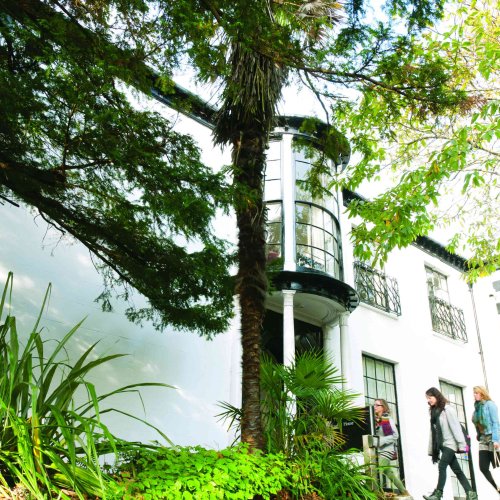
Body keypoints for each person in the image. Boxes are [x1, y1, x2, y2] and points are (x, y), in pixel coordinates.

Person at [424, 387, 477, 500]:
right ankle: (471, 493)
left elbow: (456, 428)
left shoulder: (447, 409)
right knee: (457, 470)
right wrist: (431, 449)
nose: (429, 400)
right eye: (427, 398)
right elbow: (432, 432)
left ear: (437, 396)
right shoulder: (434, 412)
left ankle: (438, 494)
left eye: (430, 397)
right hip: (442, 445)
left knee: (442, 466)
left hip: (451, 444)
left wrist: (462, 445)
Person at [373, 399, 411, 497]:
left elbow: (395, 435)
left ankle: (378, 493)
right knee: (388, 472)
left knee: (377, 470)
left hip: (387, 450)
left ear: (383, 407)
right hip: (378, 450)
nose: (375, 407)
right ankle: (404, 492)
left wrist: (380, 441)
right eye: (374, 405)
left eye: (377, 405)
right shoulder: (376, 420)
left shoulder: (387, 419)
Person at [471, 385, 500, 495]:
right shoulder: (477, 408)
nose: (474, 395)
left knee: (497, 462)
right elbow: (477, 423)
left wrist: (496, 439)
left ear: (482, 393)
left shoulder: (490, 405)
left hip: (492, 436)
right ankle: (497, 488)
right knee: (483, 467)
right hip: (483, 439)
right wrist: (478, 434)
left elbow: (495, 423)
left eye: (476, 393)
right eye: (474, 393)